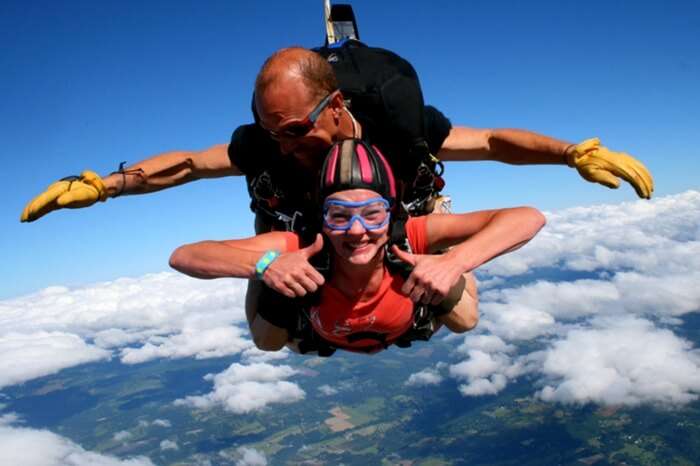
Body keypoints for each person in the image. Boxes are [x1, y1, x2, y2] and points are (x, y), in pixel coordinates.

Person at [20, 47, 651, 333]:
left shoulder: (397, 125)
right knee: (269, 337)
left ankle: (425, 285)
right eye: (273, 131)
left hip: (403, 215)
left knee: (462, 318)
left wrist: (573, 154)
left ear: (337, 106)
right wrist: (104, 186)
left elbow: (487, 143)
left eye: (296, 129)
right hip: (300, 233)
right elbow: (186, 164)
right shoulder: (270, 144)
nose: (285, 144)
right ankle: (282, 281)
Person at [169, 139, 546, 354]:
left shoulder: (411, 234)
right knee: (268, 341)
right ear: (321, 218)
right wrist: (267, 265)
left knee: (465, 320)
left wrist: (453, 262)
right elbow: (184, 255)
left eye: (372, 214)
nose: (357, 231)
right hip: (321, 331)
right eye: (338, 216)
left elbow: (528, 217)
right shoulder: (303, 245)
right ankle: (268, 263)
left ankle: (444, 255)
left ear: (391, 214)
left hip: (405, 317)